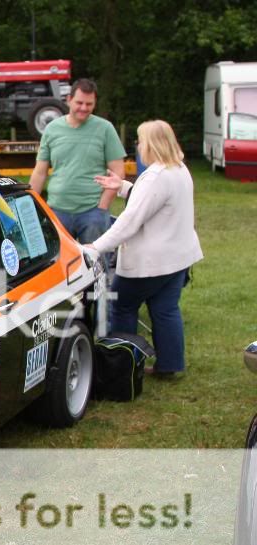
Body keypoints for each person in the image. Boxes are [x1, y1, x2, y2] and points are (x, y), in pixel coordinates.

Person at [85, 120, 203, 377]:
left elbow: (129, 222)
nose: (137, 146)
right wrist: (123, 187)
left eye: (140, 140)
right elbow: (155, 201)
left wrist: (95, 247)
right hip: (178, 259)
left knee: (122, 306)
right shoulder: (178, 168)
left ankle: (123, 367)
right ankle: (170, 366)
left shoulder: (155, 176)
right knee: (165, 310)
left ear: (151, 144)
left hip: (152, 263)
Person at [30, 78, 126, 245]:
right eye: (79, 103)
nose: (83, 108)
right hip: (57, 211)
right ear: (69, 100)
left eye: (89, 104)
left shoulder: (105, 129)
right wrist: (30, 203)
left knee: (96, 265)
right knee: (59, 267)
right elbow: (40, 171)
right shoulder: (52, 129)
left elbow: (118, 172)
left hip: (92, 213)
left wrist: (102, 206)